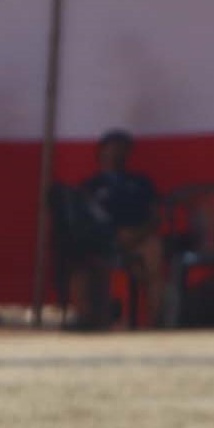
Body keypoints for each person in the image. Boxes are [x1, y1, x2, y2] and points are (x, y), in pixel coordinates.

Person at [71, 129, 164, 328]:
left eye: (121, 148)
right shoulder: (89, 187)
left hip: (138, 238)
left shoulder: (141, 182)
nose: (115, 153)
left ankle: (156, 322)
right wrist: (109, 237)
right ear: (101, 152)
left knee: (154, 251)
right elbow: (82, 223)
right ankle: (85, 319)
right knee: (77, 256)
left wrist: (135, 234)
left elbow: (155, 217)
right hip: (102, 243)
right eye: (111, 148)